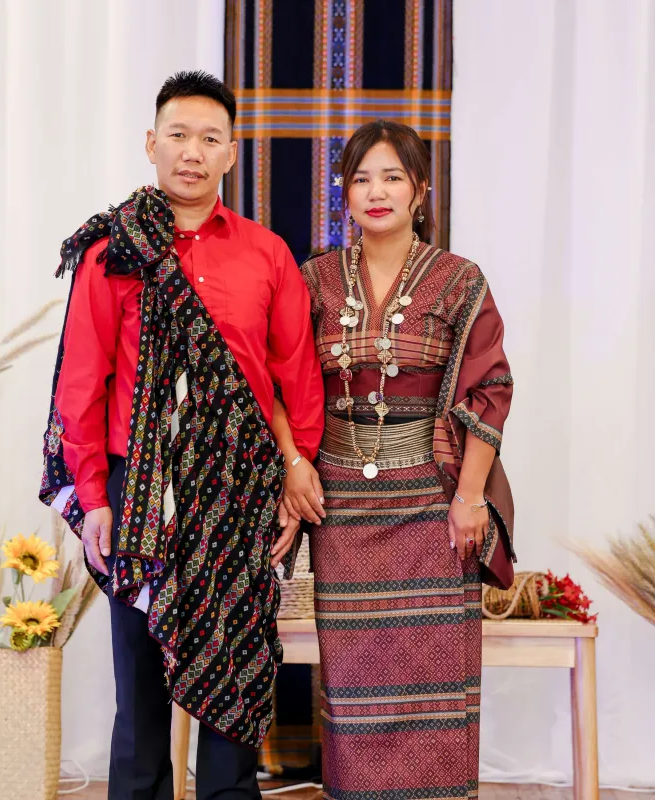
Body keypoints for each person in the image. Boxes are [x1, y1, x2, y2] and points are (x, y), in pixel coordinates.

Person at [39, 71, 325, 800]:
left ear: (232, 152)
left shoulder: (266, 254)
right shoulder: (114, 250)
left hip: (239, 488)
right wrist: (93, 498)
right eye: (177, 135)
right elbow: (82, 383)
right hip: (138, 490)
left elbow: (296, 375)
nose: (192, 152)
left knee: (233, 670)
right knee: (139, 685)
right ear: (151, 143)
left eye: (209, 138)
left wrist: (295, 475)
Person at [271, 120, 514, 800]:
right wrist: (293, 464)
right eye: (361, 179)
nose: (376, 192)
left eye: (392, 177)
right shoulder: (313, 280)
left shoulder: (460, 280)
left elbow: (490, 388)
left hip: (433, 504)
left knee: (436, 680)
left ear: (420, 191)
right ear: (344, 193)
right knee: (353, 690)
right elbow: (277, 380)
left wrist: (469, 498)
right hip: (342, 504)